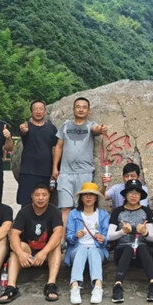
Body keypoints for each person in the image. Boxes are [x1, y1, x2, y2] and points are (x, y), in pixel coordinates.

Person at [0, 183, 64, 304]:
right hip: (28, 253)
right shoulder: (24, 211)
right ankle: (11, 287)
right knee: (17, 248)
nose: (40, 198)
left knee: (56, 246)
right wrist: (20, 253)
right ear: (32, 196)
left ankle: (51, 284)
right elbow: (13, 234)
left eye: (44, 195)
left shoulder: (54, 211)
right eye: (37, 195)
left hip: (46, 253)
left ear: (49, 196)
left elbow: (58, 233)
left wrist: (44, 252)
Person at [53, 97, 108, 227]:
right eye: (78, 107)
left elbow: (96, 129)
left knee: (82, 207)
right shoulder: (66, 125)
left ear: (89, 110)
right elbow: (59, 147)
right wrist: (55, 168)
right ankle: (63, 238)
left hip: (84, 173)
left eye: (84, 107)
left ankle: (80, 236)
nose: (81, 109)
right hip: (65, 173)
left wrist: (100, 128)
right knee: (65, 208)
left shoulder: (90, 125)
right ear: (73, 109)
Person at [107, 179, 153, 303]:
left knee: (141, 247)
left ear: (141, 195)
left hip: (142, 253)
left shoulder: (146, 211)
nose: (133, 195)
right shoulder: (117, 211)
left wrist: (145, 232)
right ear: (125, 194)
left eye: (137, 193)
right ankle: (118, 285)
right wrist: (122, 232)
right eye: (130, 192)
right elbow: (109, 236)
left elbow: (152, 238)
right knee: (129, 248)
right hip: (122, 251)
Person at [65, 182, 110, 304]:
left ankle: (98, 286)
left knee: (93, 250)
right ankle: (74, 286)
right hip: (77, 248)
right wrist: (75, 236)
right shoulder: (74, 214)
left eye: (92, 195)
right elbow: (68, 238)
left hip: (97, 248)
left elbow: (107, 238)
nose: (88, 197)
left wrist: (102, 239)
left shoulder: (103, 215)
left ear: (96, 198)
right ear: (81, 197)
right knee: (82, 249)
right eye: (85, 194)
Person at [16, 100, 58, 206]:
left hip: (46, 172)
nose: (38, 111)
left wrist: (55, 168)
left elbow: (55, 149)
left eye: (41, 109)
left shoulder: (51, 128)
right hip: (28, 172)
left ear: (45, 112)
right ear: (31, 112)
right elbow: (23, 133)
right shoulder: (26, 127)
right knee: (26, 203)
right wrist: (23, 131)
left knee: (45, 203)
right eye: (35, 109)